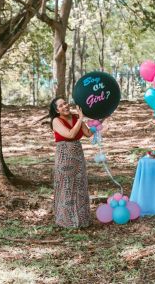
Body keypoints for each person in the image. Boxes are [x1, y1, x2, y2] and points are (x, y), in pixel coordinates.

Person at [49, 97, 94, 228]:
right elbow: (69, 135)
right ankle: (66, 221)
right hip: (64, 155)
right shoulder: (56, 121)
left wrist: (100, 120)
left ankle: (82, 220)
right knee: (67, 185)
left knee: (79, 185)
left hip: (77, 154)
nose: (65, 106)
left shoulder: (75, 117)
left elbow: (88, 133)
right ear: (57, 110)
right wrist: (81, 119)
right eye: (61, 105)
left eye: (65, 103)